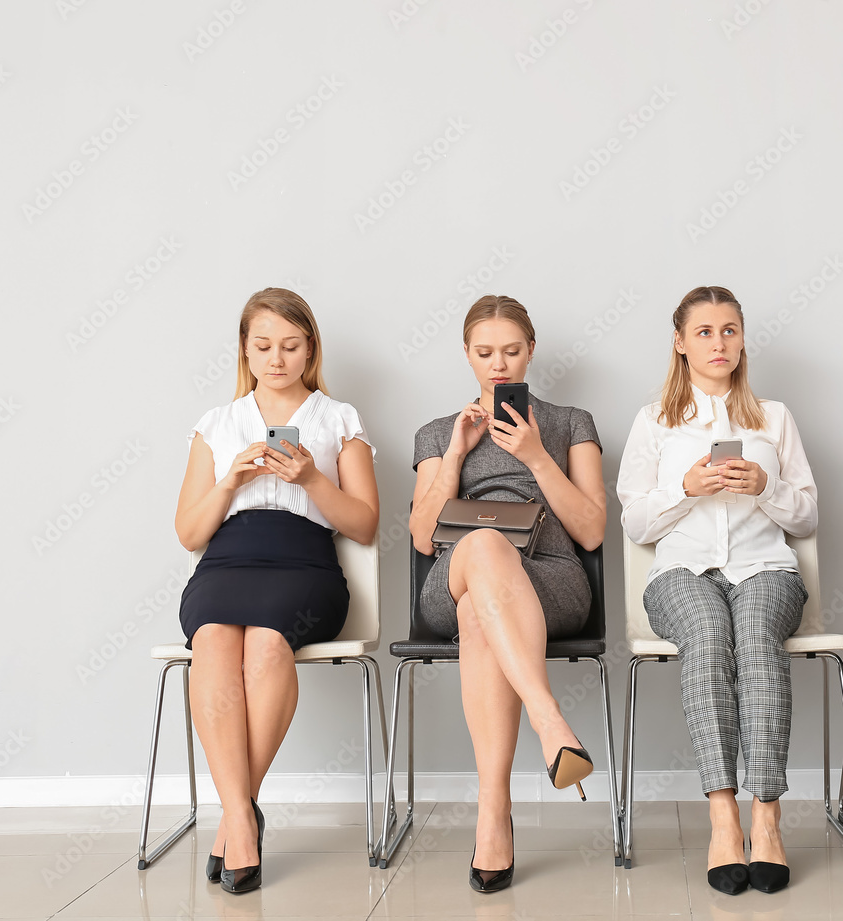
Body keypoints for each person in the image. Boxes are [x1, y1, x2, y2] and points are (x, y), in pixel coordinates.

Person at [174, 287, 378, 894]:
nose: (276, 359)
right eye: (262, 346)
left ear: (310, 348)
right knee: (212, 641)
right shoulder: (216, 424)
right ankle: (242, 814)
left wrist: (312, 476)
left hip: (304, 565)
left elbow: (365, 523)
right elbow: (188, 532)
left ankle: (235, 815)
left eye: (290, 346)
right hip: (225, 561)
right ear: (244, 348)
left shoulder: (340, 418)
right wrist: (230, 479)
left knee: (266, 645)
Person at [617, 285, 816, 895]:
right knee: (708, 637)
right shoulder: (654, 420)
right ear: (680, 344)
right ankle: (723, 813)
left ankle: (767, 815)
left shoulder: (773, 417)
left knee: (754, 637)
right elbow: (633, 521)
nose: (718, 342)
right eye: (704, 332)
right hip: (679, 574)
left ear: (742, 338)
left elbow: (806, 517)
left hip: (766, 570)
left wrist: (763, 485)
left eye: (729, 330)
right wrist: (686, 488)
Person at [410, 295, 606, 892]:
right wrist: (455, 456)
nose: (500, 364)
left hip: (548, 577)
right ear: (466, 354)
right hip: (453, 572)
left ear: (532, 351)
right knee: (485, 547)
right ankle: (551, 724)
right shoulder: (437, 432)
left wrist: (536, 456)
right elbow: (422, 539)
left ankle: (493, 814)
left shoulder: (571, 422)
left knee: (480, 608)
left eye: (512, 350)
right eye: (485, 352)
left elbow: (592, 529)